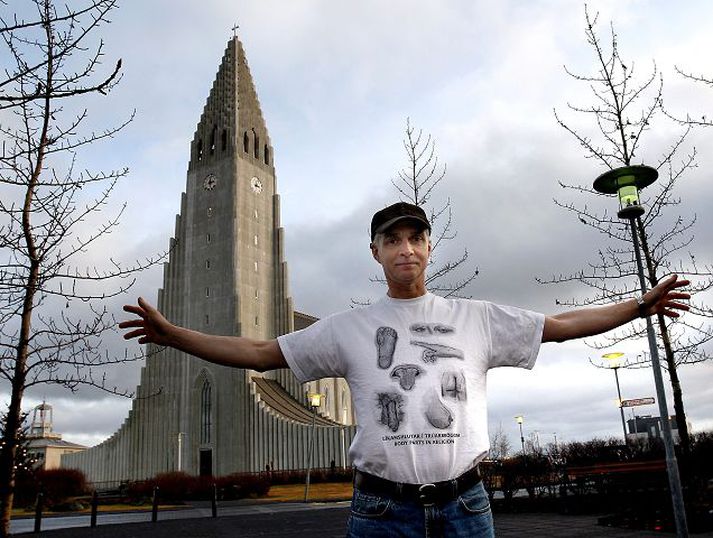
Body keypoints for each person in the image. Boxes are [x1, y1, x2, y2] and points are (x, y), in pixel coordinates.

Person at [120, 201, 690, 537]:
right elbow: (263, 354)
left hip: (465, 506)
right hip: (380, 511)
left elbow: (558, 325)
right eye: (392, 239)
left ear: (429, 247)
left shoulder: (477, 318)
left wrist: (639, 306)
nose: (405, 249)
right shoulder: (348, 328)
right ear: (375, 251)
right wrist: (176, 337)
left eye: (415, 237)